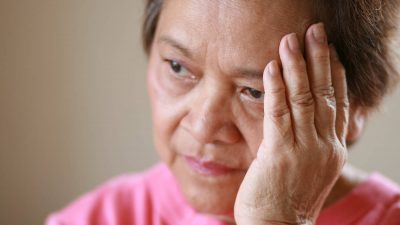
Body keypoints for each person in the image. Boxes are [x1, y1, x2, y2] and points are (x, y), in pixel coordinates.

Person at [46, 0, 400, 224]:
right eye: (178, 68)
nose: (203, 128)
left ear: (355, 107)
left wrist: (280, 219)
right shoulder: (98, 217)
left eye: (257, 92)